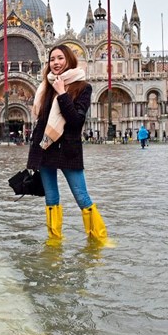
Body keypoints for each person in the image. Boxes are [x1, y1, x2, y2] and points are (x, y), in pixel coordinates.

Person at [26, 44, 107, 244]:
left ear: (69, 59)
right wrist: (33, 155)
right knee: (51, 198)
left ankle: (98, 238)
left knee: (81, 196)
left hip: (68, 150)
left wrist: (62, 93)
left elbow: (76, 121)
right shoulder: (45, 86)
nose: (56, 63)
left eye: (60, 58)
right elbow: (41, 122)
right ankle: (54, 239)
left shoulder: (83, 87)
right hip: (45, 148)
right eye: (52, 59)